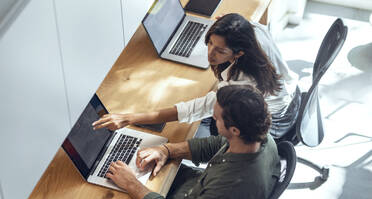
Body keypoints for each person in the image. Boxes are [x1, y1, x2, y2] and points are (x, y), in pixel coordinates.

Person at [106, 85, 280, 199]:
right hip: (196, 194)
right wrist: (167, 150)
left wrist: (131, 183)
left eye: (217, 117)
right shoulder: (259, 138)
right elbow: (217, 143)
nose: (213, 117)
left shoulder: (233, 187)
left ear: (234, 130)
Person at [92, 13, 300, 139]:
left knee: (190, 127)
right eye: (210, 43)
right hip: (292, 98)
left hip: (274, 123)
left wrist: (129, 118)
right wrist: (226, 22)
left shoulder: (240, 86)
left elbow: (194, 108)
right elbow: (239, 22)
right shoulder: (254, 30)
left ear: (239, 53)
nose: (210, 54)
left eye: (220, 51)